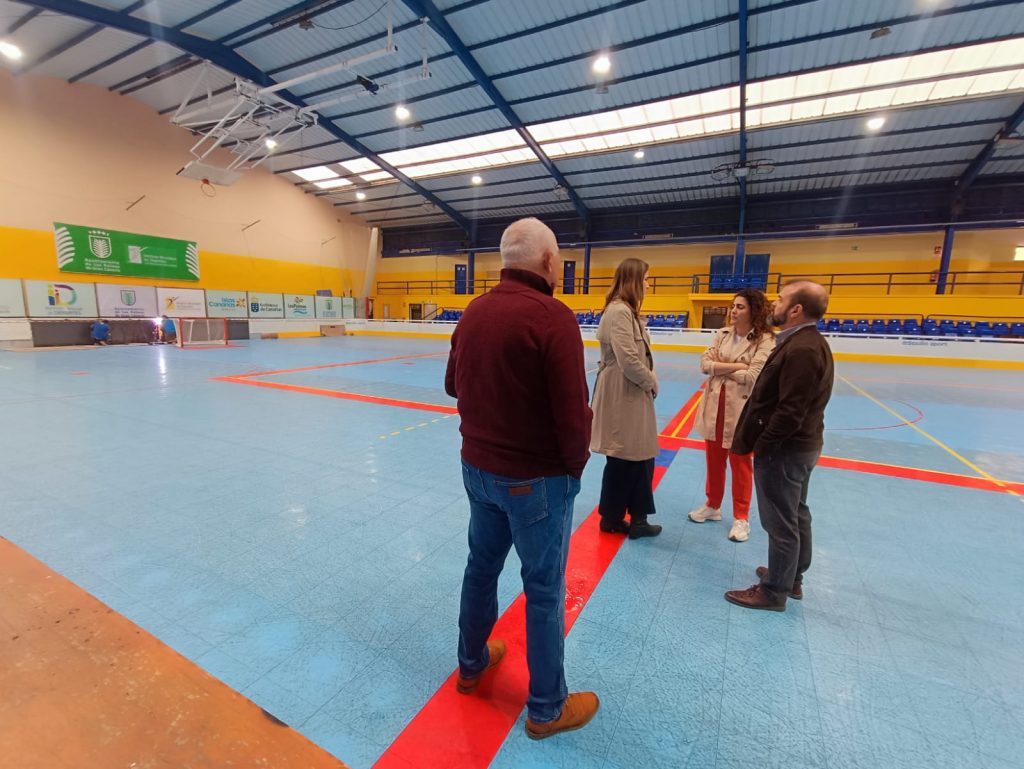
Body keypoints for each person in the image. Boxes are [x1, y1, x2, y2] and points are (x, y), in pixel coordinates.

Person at [444, 218, 600, 740]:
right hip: (535, 481)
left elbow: (452, 385)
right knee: (543, 589)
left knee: (480, 567)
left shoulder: (473, 312)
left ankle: (470, 664)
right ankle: (546, 707)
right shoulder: (553, 318)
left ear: (505, 261)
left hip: (478, 471)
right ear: (550, 264)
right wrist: (574, 470)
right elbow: (572, 415)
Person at [725, 281, 834, 611]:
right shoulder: (805, 343)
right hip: (800, 446)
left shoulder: (802, 349)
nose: (775, 303)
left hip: (786, 450)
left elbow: (790, 410)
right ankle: (791, 576)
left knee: (781, 521)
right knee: (796, 513)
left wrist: (765, 444)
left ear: (796, 309)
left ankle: (774, 591)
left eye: (782, 299)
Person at [689, 289, 776, 542]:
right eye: (733, 305)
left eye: (740, 306)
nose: (733, 310)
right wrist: (738, 366)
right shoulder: (722, 334)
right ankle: (713, 505)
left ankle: (741, 518)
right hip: (715, 405)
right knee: (713, 460)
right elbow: (705, 365)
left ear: (754, 311)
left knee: (740, 463)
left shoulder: (765, 340)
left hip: (741, 410)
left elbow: (753, 377)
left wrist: (721, 368)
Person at [590, 258, 662, 540]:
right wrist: (651, 382)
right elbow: (628, 360)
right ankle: (624, 518)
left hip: (627, 391)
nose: (647, 284)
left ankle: (618, 517)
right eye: (645, 278)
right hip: (625, 391)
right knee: (629, 457)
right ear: (633, 280)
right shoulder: (620, 312)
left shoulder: (626, 311)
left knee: (632, 457)